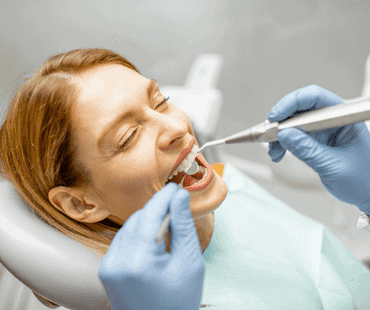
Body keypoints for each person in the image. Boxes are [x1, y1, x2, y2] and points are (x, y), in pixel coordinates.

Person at [1, 48, 370, 309]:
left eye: (160, 101)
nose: (177, 126)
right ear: (81, 203)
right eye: (128, 137)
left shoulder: (228, 183)